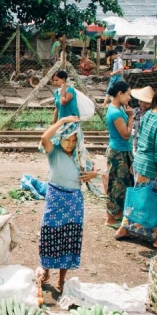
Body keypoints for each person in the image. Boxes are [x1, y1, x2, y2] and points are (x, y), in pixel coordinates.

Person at [37, 116, 99, 293]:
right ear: (60, 138)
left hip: (74, 201)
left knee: (68, 237)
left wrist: (92, 175)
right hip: (55, 198)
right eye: (67, 139)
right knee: (49, 233)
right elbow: (44, 138)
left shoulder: (81, 155)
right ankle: (46, 272)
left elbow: (97, 172)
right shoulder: (54, 151)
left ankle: (62, 280)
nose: (70, 143)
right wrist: (62, 121)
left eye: (74, 139)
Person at [114, 88, 157, 250]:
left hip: (141, 164)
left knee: (138, 199)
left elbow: (140, 141)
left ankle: (124, 229)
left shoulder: (147, 115)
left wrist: (135, 163)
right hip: (154, 169)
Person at [104, 81, 135, 227]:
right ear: (120, 93)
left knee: (122, 184)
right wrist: (130, 118)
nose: (130, 97)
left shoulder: (119, 108)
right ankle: (111, 218)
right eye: (128, 94)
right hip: (118, 153)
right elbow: (126, 135)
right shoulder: (116, 112)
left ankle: (117, 215)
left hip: (122, 151)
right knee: (116, 186)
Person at [130, 86, 155, 156]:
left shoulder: (152, 115)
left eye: (146, 103)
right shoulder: (135, 111)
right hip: (133, 143)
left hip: (145, 147)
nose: (143, 104)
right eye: (141, 101)